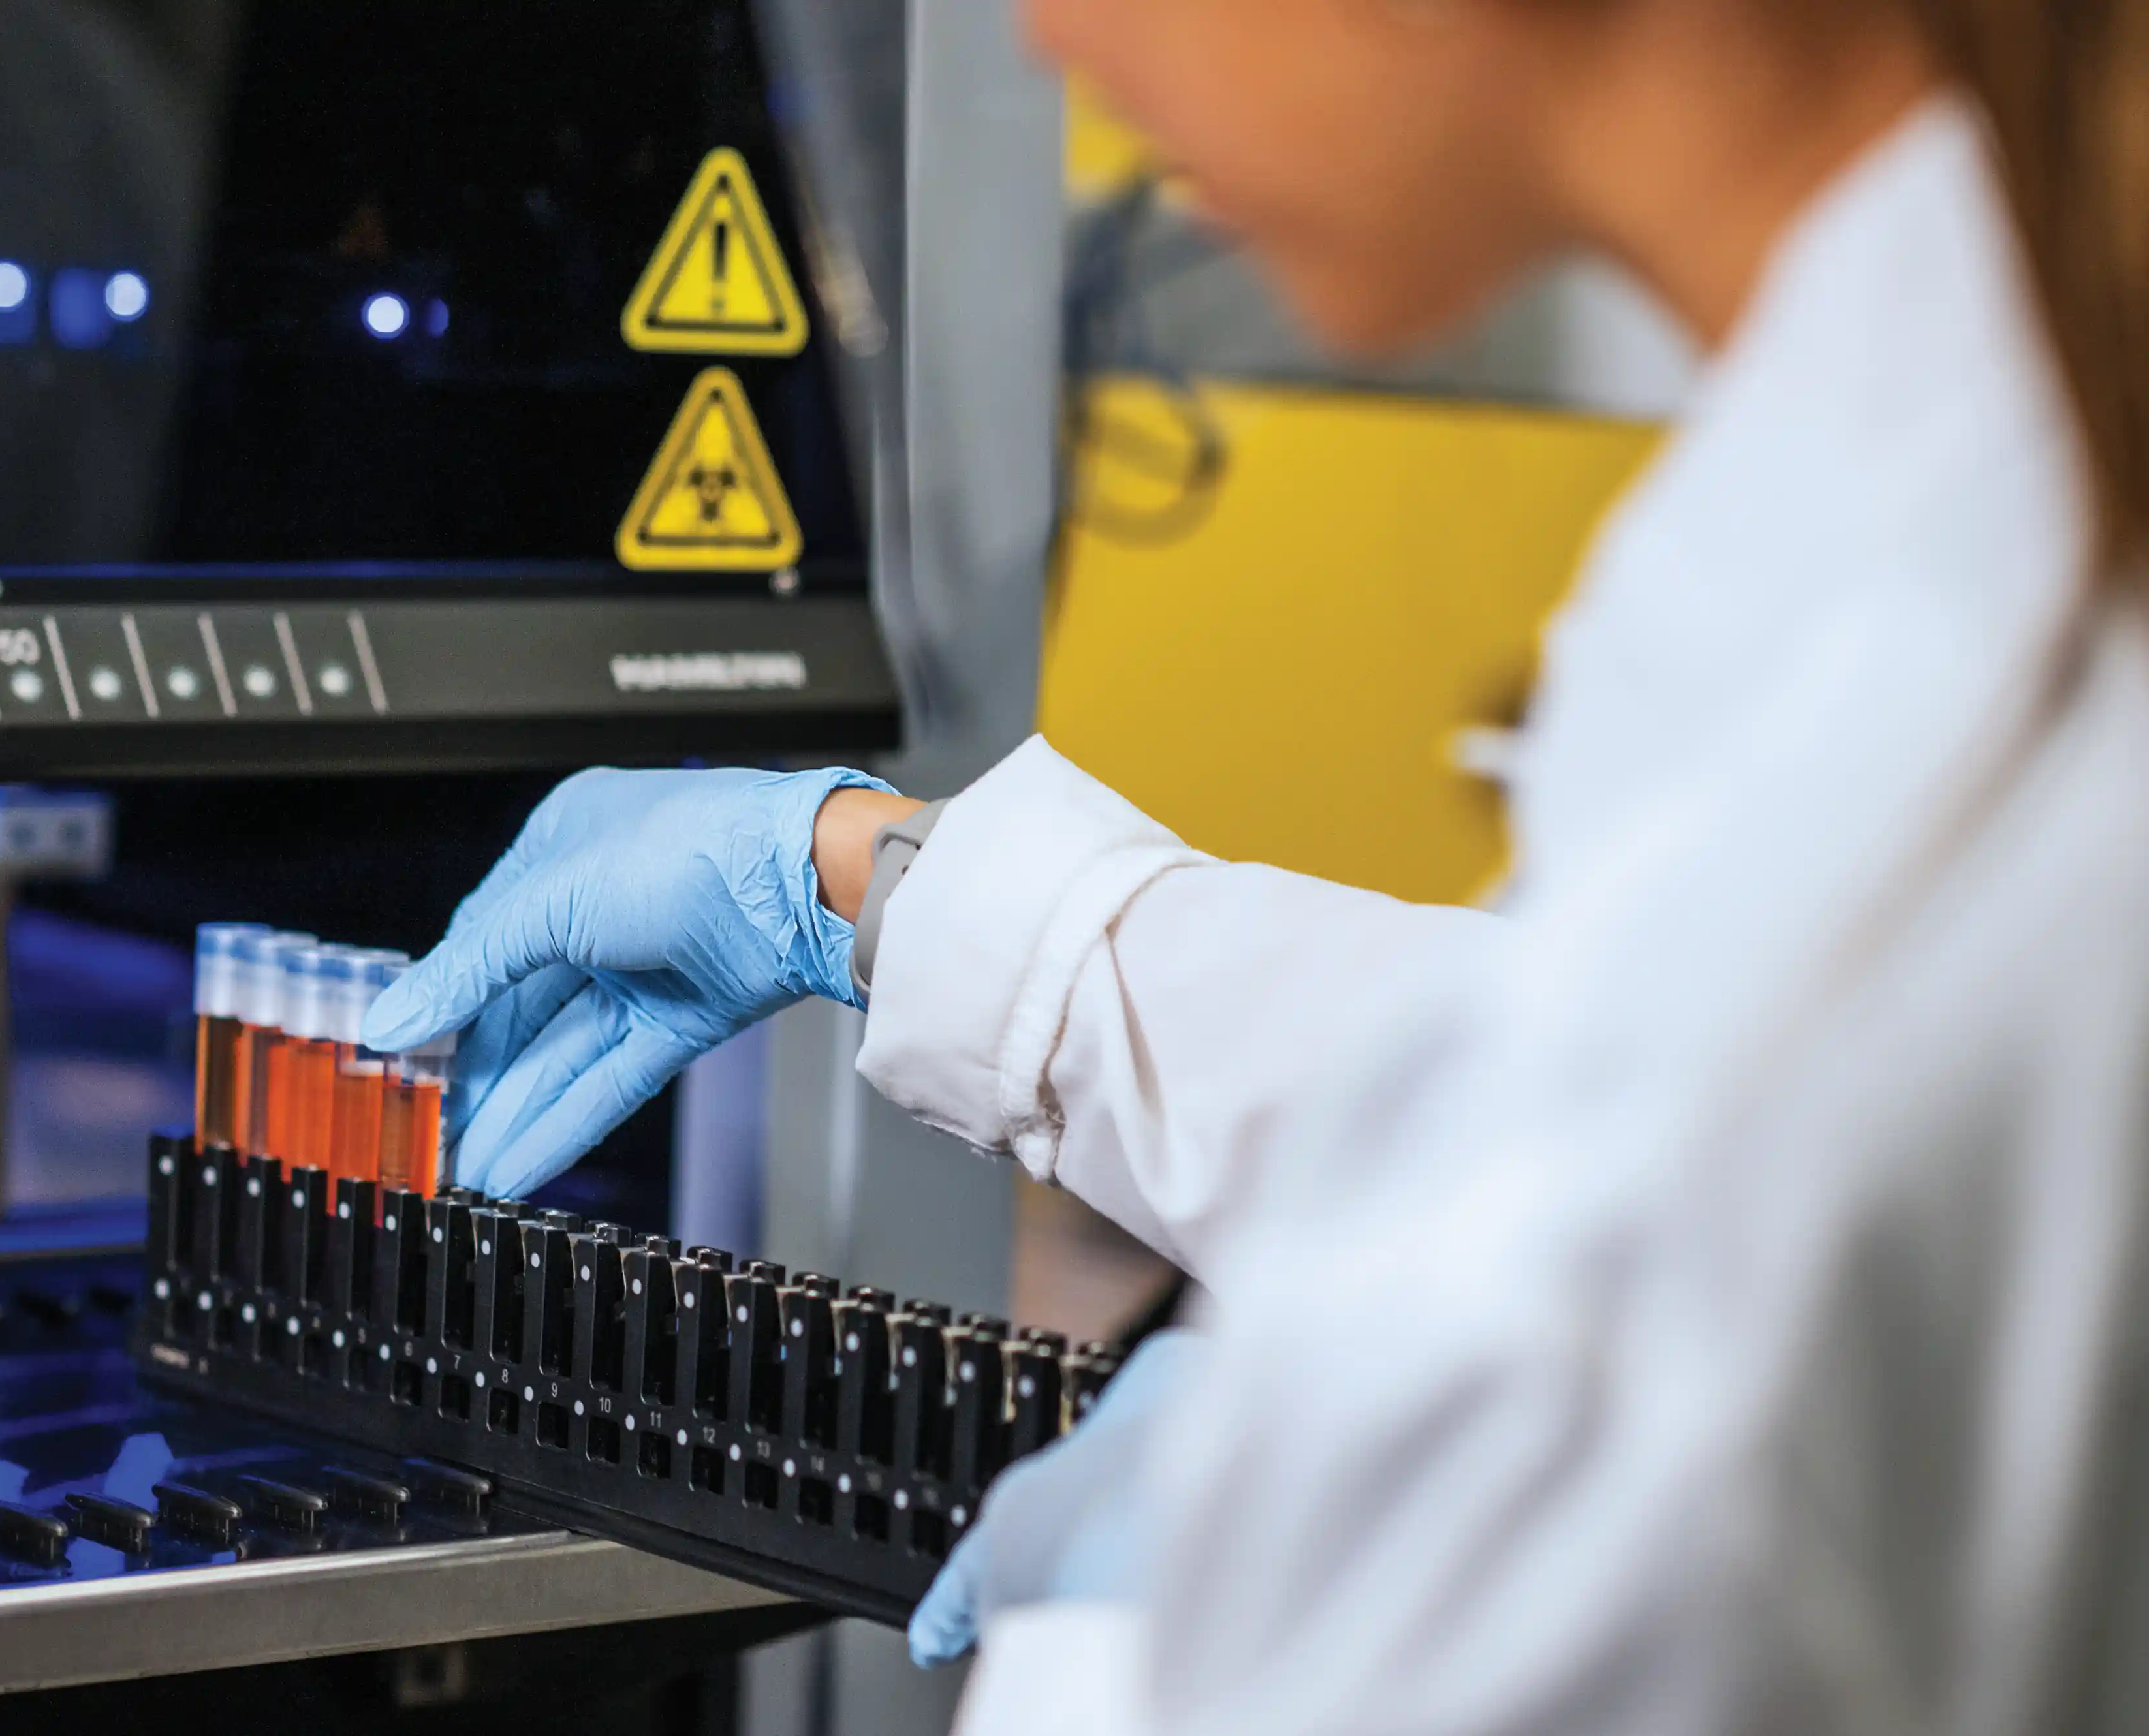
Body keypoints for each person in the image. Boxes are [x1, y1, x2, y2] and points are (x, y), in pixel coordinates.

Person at [367, 0, 2149, 1727]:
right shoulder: (1947, 520)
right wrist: (868, 879)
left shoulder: (1900, 774)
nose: (1053, 37)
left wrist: (1157, 1616)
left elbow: (1678, 1142)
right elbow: (1569, 1050)